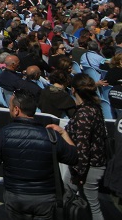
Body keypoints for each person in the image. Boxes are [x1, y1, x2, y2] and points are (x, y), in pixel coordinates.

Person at [0, 89, 78, 219]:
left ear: (16, 110)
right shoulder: (51, 135)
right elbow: (74, 157)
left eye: (10, 107)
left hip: (16, 196)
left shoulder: (2, 134)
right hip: (45, 198)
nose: (9, 109)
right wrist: (64, 134)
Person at [64, 74, 108, 219]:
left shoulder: (84, 113)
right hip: (93, 164)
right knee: (90, 205)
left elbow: (83, 147)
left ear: (73, 90)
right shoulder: (94, 107)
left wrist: (78, 174)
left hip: (87, 166)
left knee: (92, 206)